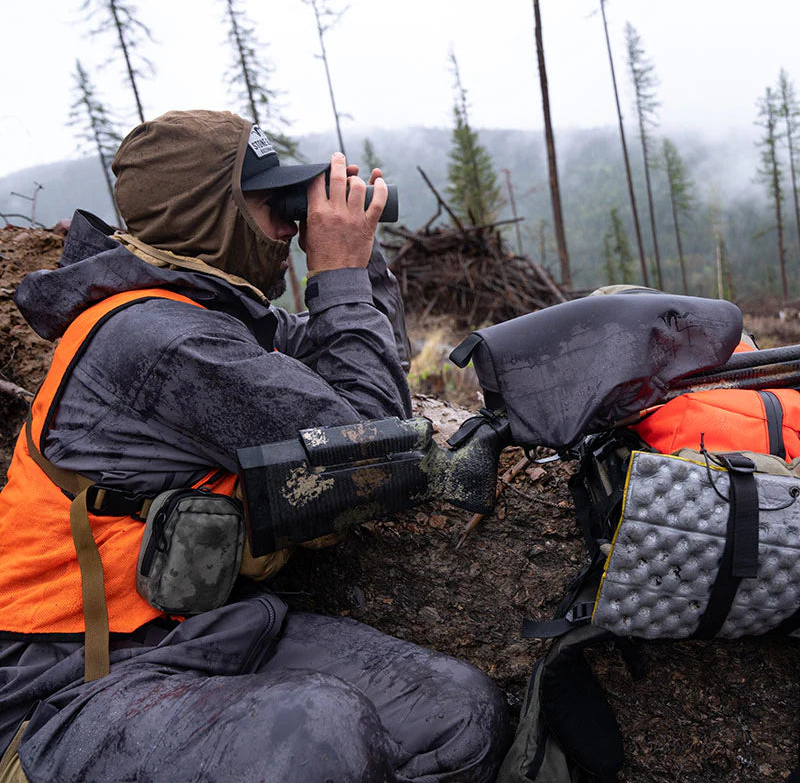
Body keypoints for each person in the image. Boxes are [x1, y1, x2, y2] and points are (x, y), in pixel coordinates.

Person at [0, 110, 509, 783]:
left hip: (194, 634)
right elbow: (377, 454)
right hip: (68, 679)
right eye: (275, 206)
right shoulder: (160, 338)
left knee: (456, 712)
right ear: (214, 216)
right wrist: (340, 272)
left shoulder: (203, 315)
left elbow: (336, 346)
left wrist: (360, 259)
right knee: (319, 730)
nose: (290, 225)